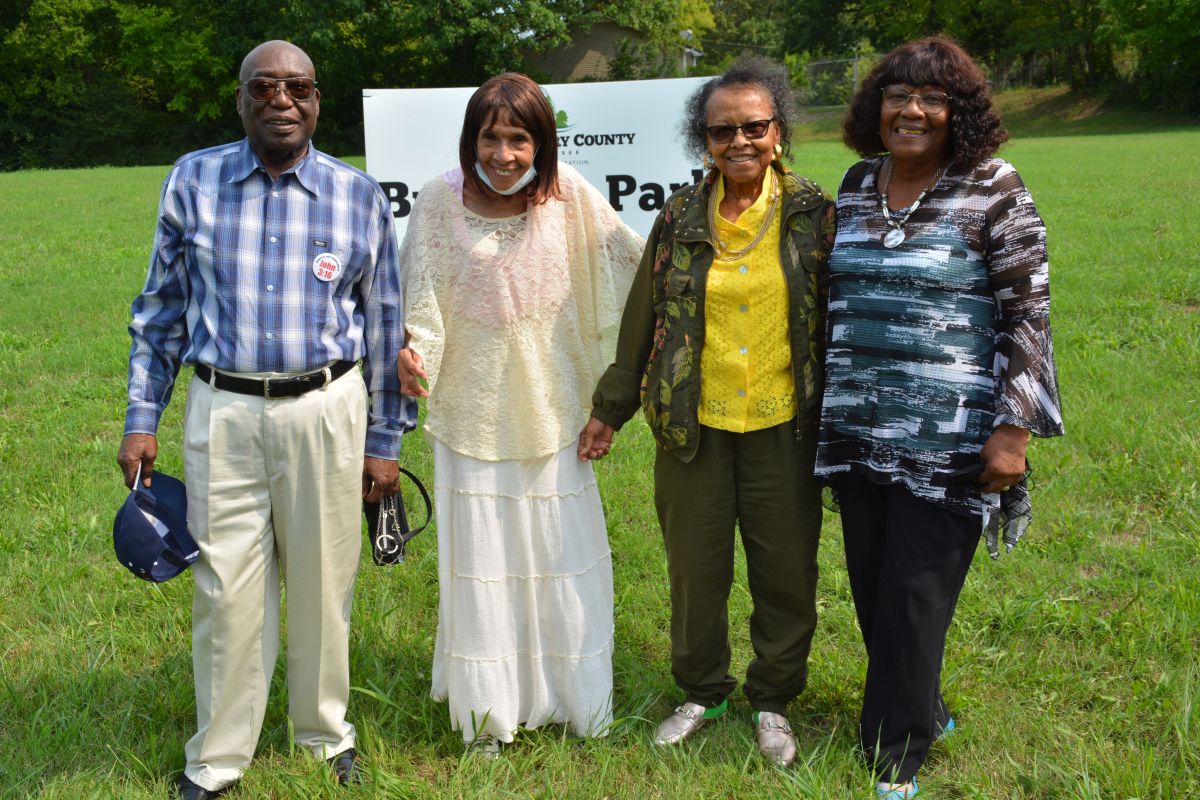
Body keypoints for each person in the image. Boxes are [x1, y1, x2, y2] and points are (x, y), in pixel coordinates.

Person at [117, 40, 413, 799]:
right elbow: (160, 312)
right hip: (224, 409)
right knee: (225, 589)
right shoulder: (193, 180)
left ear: (317, 100)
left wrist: (385, 441)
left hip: (328, 409)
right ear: (241, 98)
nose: (282, 102)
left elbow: (386, 327)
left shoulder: (357, 195)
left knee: (323, 585)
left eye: (298, 88)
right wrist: (141, 418)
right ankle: (218, 757)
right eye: (265, 88)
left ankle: (324, 735)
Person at [816, 36, 1065, 799]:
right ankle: (923, 706)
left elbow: (1028, 313)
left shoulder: (994, 187)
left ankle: (894, 754)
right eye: (899, 96)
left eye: (932, 99)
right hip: (858, 426)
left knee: (914, 598)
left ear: (960, 113)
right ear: (877, 107)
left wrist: (1014, 430)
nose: (913, 111)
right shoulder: (857, 184)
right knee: (872, 589)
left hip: (950, 438)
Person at [578, 57, 834, 767]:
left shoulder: (815, 215)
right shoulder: (680, 215)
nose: (739, 141)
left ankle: (774, 698)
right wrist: (610, 409)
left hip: (785, 426)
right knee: (695, 571)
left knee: (786, 572)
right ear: (706, 140)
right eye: (723, 131)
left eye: (754, 127)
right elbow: (643, 318)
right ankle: (703, 691)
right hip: (693, 427)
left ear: (778, 132)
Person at [396, 72, 644, 756]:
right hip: (471, 414)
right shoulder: (437, 201)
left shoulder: (570, 197)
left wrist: (616, 392)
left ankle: (576, 702)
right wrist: (414, 354)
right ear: (471, 138)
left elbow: (634, 267)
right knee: (484, 566)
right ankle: (489, 714)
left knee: (562, 560)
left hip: (554, 409)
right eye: (490, 137)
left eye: (519, 139)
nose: (503, 154)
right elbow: (421, 298)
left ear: (542, 143)